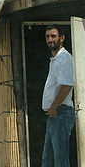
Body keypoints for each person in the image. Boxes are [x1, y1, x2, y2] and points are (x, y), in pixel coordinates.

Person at [41, 25, 75, 167]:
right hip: (54, 114)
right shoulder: (55, 59)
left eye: (53, 36)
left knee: (60, 159)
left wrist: (54, 107)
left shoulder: (64, 58)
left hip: (60, 112)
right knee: (47, 158)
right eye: (48, 37)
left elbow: (67, 85)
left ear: (62, 38)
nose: (50, 39)